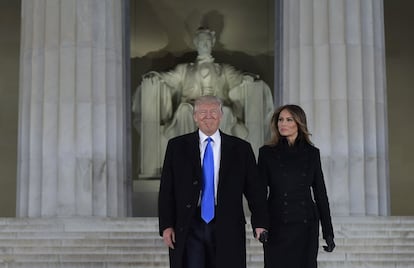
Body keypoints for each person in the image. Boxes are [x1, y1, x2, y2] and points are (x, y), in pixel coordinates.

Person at [158, 95, 269, 268]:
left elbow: (255, 190)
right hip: (189, 223)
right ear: (195, 117)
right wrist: (166, 225)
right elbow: (167, 190)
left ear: (221, 115)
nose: (208, 116)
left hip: (228, 222)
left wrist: (260, 222)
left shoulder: (241, 149)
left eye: (213, 112)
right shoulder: (177, 147)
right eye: (202, 112)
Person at [257, 104, 336, 268]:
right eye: (280, 120)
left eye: (288, 120)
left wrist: (328, 232)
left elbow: (320, 194)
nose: (282, 124)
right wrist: (260, 224)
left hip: (305, 225)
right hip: (277, 225)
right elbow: (259, 193)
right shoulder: (266, 153)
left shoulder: (312, 153)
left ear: (299, 123)